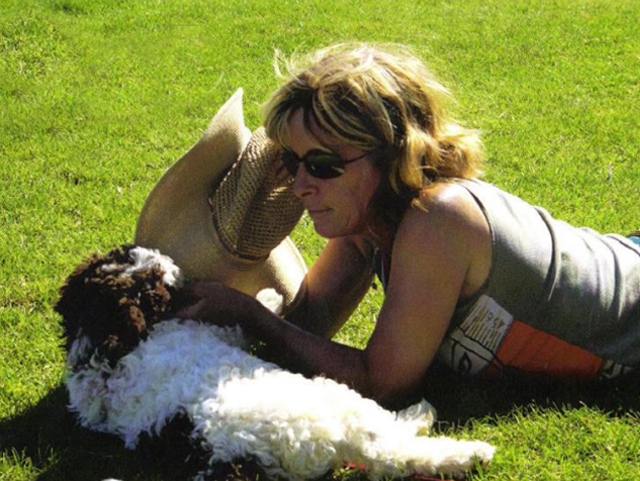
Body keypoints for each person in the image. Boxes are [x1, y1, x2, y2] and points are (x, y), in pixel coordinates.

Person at [179, 44, 640, 407]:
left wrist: (250, 316)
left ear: (391, 153)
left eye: (321, 164)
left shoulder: (438, 220)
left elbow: (383, 384)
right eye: (290, 161)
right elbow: (309, 326)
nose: (299, 185)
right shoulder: (368, 224)